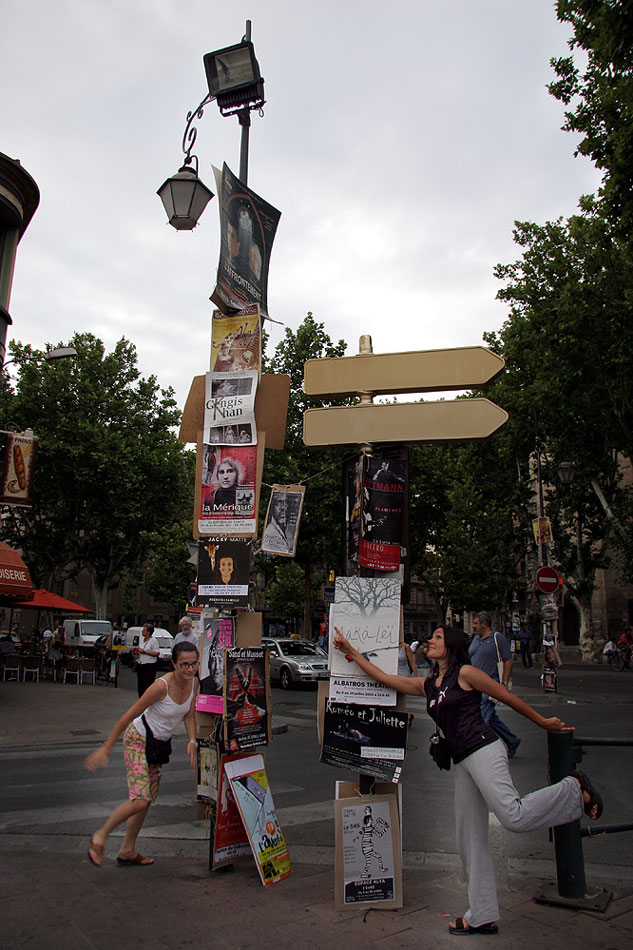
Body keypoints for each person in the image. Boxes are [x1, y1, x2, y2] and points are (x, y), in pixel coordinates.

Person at [332, 624, 603, 936]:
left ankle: (574, 788)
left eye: (436, 637)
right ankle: (482, 914)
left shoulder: (466, 674)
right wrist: (351, 652)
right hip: (464, 761)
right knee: (468, 839)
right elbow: (385, 679)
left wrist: (543, 722)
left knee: (512, 815)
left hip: (485, 750)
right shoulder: (430, 684)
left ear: (451, 645)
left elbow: (505, 695)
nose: (429, 641)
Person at [85, 641, 199, 867]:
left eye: (194, 664)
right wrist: (107, 747)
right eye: (184, 665)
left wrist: (192, 740)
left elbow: (188, 715)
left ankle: (127, 850)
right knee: (140, 800)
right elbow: (129, 715)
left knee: (146, 802)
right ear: (173, 664)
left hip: (157, 746)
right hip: (138, 739)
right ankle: (100, 836)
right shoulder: (160, 687)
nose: (189, 669)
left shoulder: (194, 684)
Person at [469, 611, 521, 758]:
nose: (473, 626)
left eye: (476, 623)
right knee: (491, 719)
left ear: (484, 624)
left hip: (490, 685)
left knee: (480, 718)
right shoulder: (475, 639)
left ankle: (479, 750)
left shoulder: (498, 638)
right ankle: (512, 740)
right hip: (474, 685)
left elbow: (508, 661)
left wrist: (504, 684)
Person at [134, 623, 159, 697]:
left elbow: (157, 653)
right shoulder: (142, 640)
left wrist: (146, 652)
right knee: (140, 684)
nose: (142, 631)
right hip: (141, 663)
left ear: (148, 632)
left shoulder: (153, 641)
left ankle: (147, 699)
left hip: (149, 665)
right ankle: (141, 698)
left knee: (147, 684)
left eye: (144, 630)